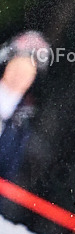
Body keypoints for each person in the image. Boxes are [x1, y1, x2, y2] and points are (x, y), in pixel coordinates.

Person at [0, 31, 49, 184]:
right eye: (18, 65)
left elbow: (10, 169)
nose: (20, 75)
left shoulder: (26, 121)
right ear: (8, 63)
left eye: (29, 71)